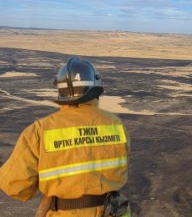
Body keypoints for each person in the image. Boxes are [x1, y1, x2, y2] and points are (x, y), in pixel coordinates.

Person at [0, 56, 131, 217]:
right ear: (95, 88)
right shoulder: (116, 125)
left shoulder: (39, 131)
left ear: (61, 91)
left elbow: (15, 187)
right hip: (113, 211)